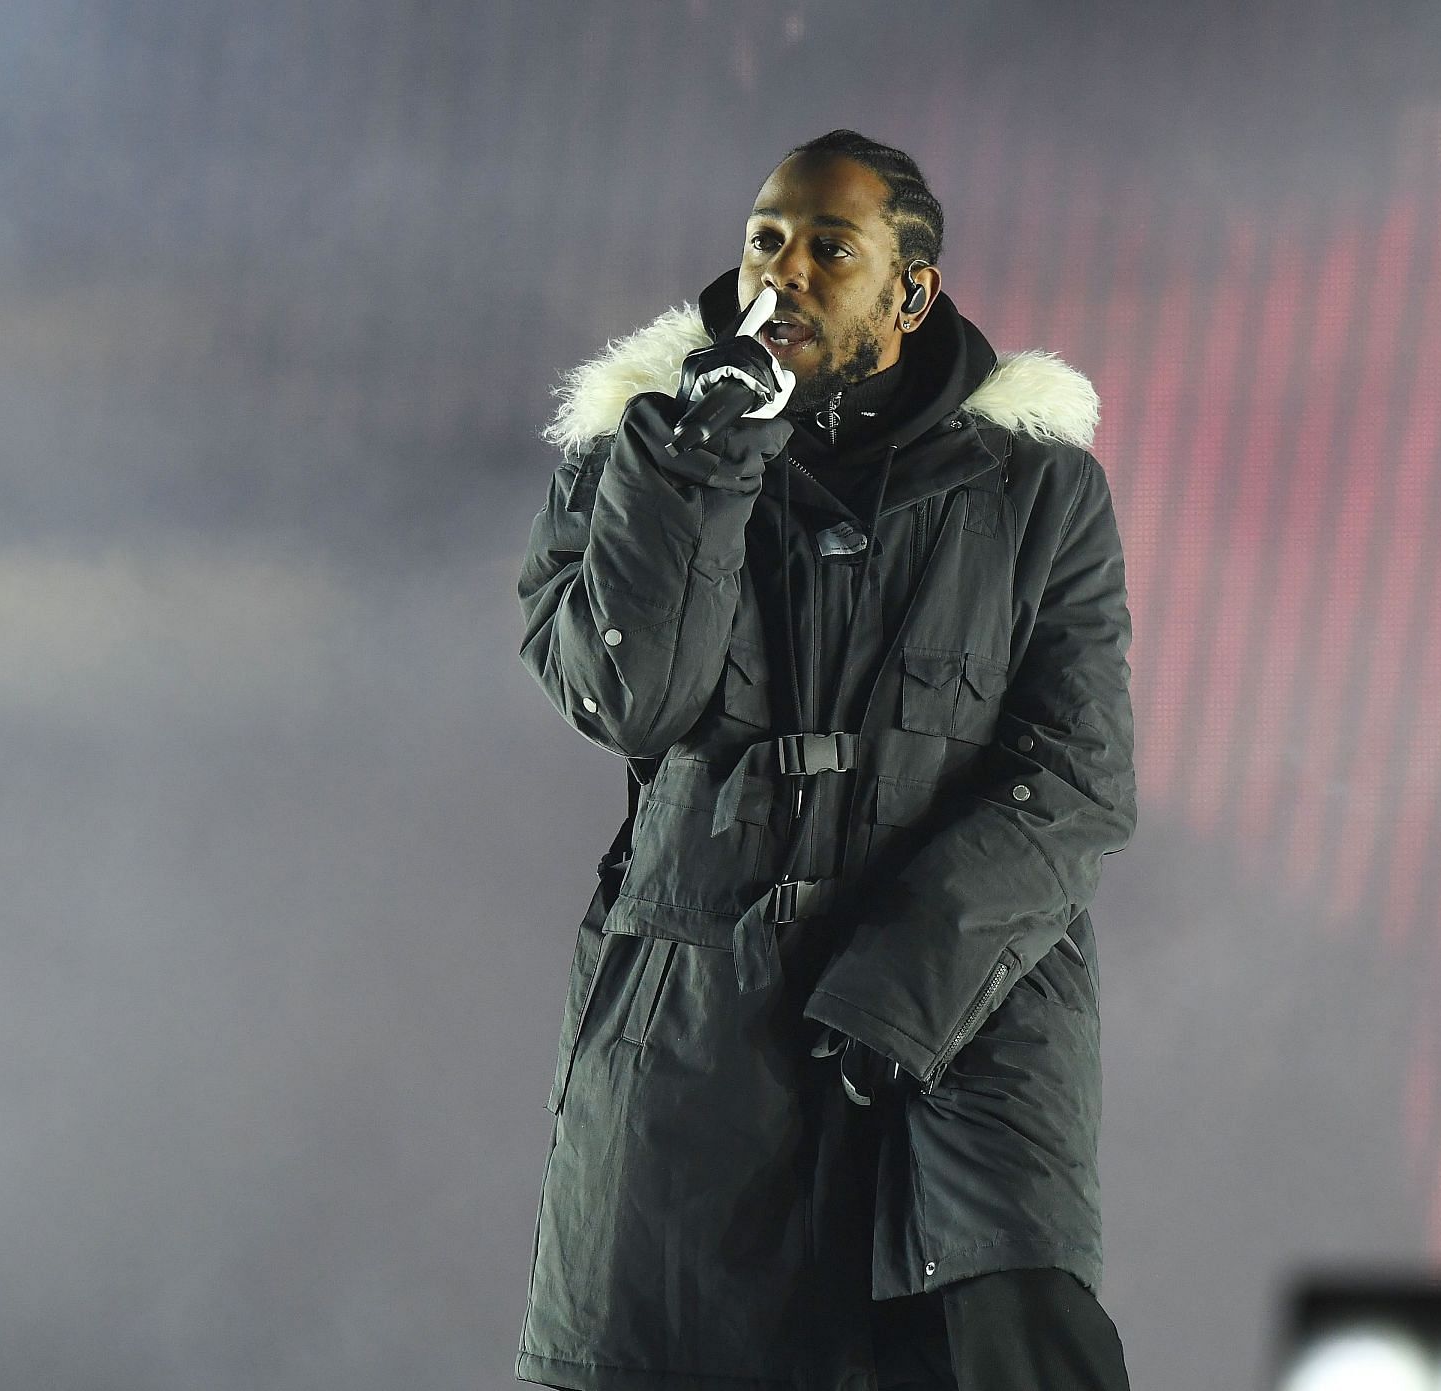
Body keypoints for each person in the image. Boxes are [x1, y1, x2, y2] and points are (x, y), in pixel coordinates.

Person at [514, 128, 1139, 1391]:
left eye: (828, 248)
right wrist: (698, 455)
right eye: (764, 240)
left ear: (911, 290)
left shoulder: (1039, 493)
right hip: (697, 1017)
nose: (783, 271)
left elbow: (1077, 775)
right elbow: (632, 697)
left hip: (962, 1029)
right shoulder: (646, 454)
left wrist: (896, 989)